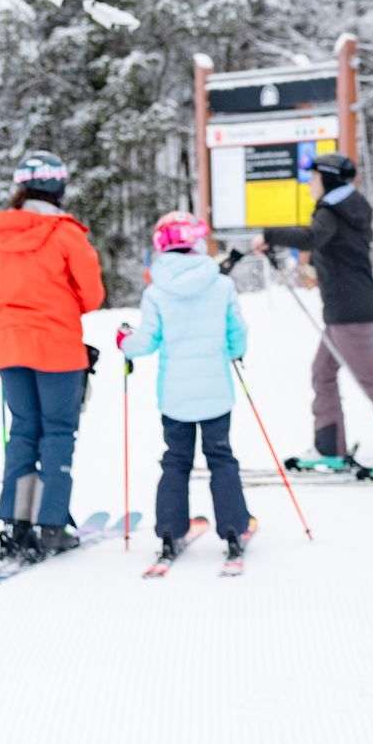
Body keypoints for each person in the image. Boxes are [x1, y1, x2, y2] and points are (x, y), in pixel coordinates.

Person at [0, 152, 106, 558]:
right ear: (59, 187)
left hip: (11, 347)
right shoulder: (66, 233)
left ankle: (16, 522)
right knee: (58, 433)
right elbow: (92, 296)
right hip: (59, 348)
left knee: (23, 431)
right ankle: (51, 525)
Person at [253, 152, 373, 471]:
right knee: (322, 373)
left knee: (370, 380)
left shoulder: (332, 211)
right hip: (343, 307)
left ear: (329, 179)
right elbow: (334, 248)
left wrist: (269, 235)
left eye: (314, 178)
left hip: (349, 310)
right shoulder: (346, 208)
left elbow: (313, 237)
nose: (309, 185)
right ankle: (329, 446)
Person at [117, 211, 254, 567]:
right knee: (221, 457)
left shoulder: (157, 291)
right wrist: (235, 353)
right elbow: (237, 333)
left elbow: (145, 342)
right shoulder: (221, 285)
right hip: (215, 392)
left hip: (175, 396)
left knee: (175, 461)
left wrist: (125, 342)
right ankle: (234, 528)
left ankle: (169, 531)